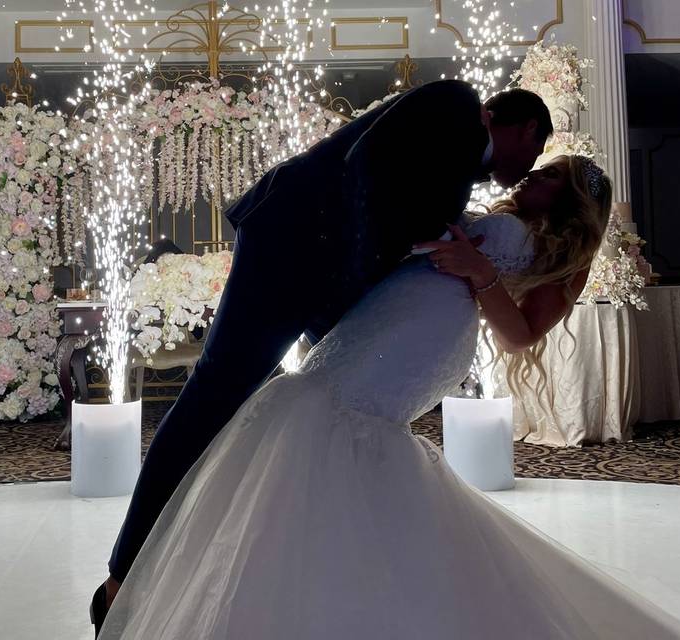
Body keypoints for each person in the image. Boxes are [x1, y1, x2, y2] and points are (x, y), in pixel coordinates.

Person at [97, 155, 680, 639]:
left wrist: (477, 270)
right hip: (389, 320)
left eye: (549, 177)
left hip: (426, 334)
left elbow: (519, 335)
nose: (533, 176)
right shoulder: (491, 211)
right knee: (315, 425)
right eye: (540, 168)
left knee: (332, 422)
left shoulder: (558, 257)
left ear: (569, 203)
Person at [90, 80, 555, 630]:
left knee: (266, 417)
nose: (529, 169)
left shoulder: (463, 168)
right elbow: (366, 172)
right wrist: (348, 297)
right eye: (537, 152)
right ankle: (122, 576)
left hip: (319, 273)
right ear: (525, 127)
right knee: (214, 396)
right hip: (291, 249)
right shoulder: (456, 103)